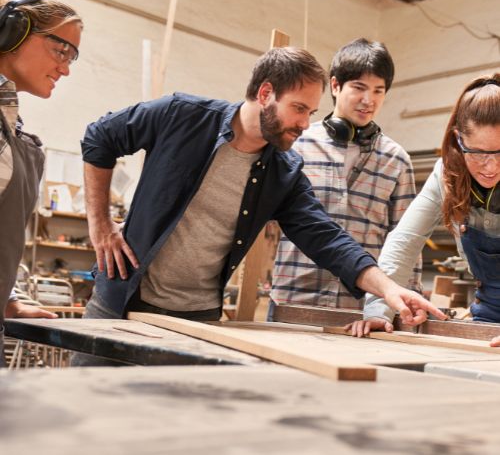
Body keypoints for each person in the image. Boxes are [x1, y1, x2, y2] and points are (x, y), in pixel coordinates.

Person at [75, 46, 444, 365]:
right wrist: (101, 225)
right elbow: (100, 137)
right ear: (265, 93)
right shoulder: (181, 115)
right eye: (298, 108)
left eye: (311, 113)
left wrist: (387, 288)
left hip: (196, 320)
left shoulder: (283, 172)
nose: (303, 124)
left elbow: (327, 239)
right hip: (121, 303)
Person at [270, 38, 421, 321]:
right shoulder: (296, 145)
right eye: (359, 88)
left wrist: (397, 310)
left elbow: (405, 242)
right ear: (336, 86)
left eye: (379, 90)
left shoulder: (396, 160)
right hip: (292, 303)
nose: (369, 100)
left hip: (361, 313)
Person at [346, 74, 500, 345]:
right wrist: (379, 310)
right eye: (477, 153)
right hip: (489, 319)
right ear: (458, 140)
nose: (491, 167)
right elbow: (404, 242)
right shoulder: (447, 175)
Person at [0, 0, 82, 365]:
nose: (65, 68)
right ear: (12, 31)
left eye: (72, 56)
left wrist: (8, 297)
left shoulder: (12, 129)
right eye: (60, 48)